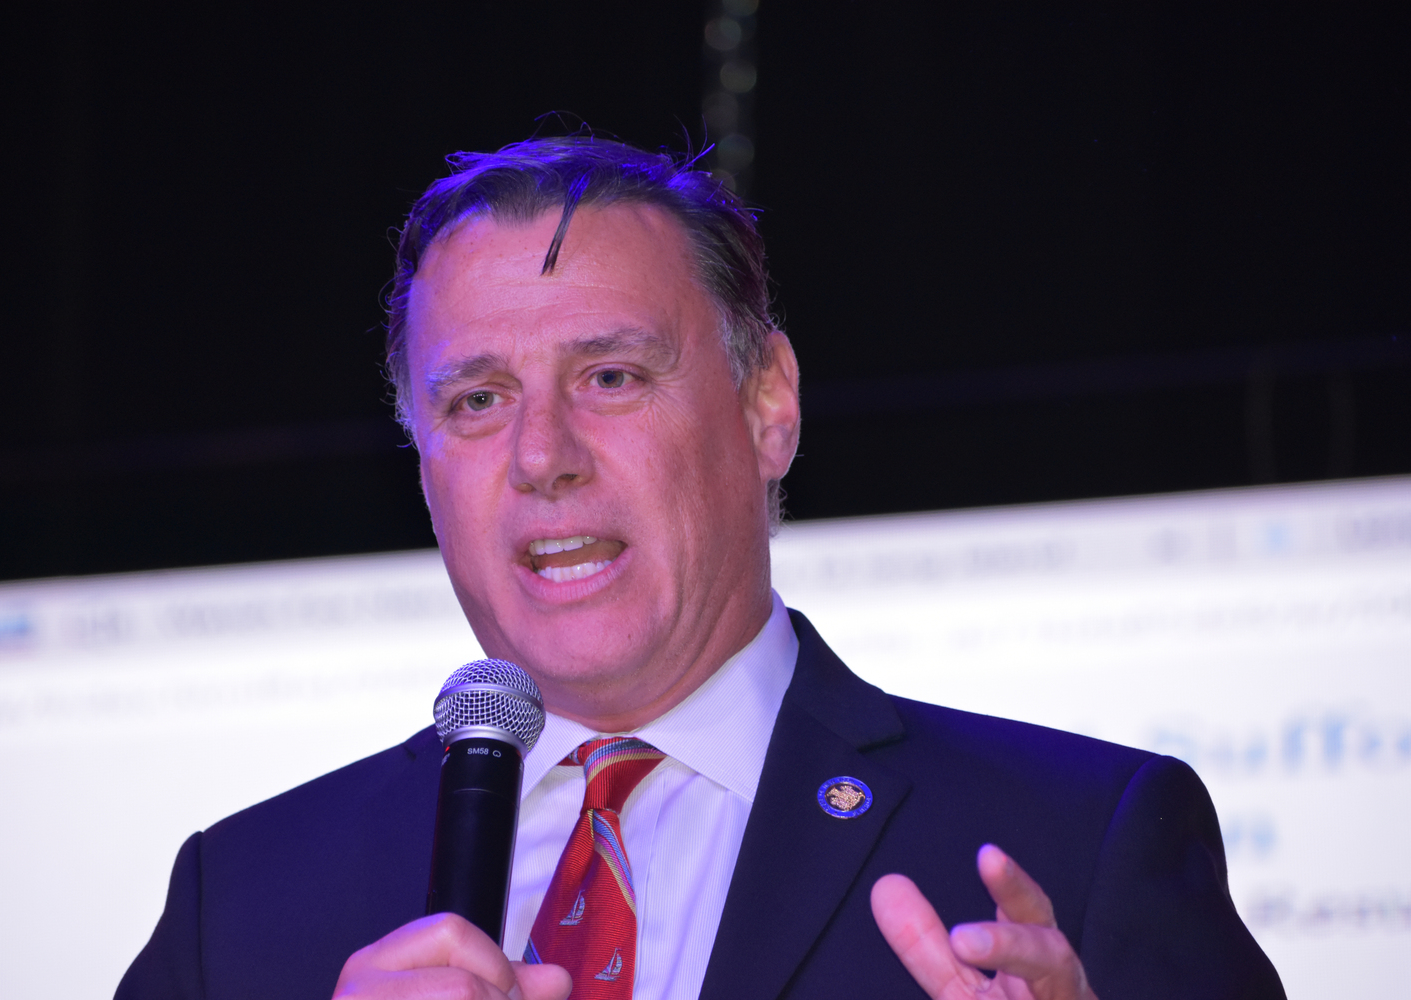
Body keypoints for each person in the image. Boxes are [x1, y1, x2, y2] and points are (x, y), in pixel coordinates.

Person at [117, 137, 1285, 1000]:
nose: (542, 458)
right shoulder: (246, 906)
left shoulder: (1078, 846)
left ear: (767, 406)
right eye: (476, 400)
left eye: (611, 376)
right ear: (421, 461)